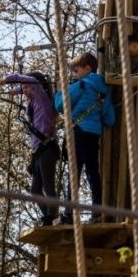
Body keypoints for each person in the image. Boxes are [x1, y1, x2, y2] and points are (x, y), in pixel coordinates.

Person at [55, 52, 115, 224]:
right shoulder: (104, 92)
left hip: (78, 132)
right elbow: (110, 119)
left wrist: (60, 91)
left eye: (76, 70)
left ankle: (69, 214)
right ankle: (97, 214)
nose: (74, 75)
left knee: (74, 174)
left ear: (87, 69)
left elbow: (60, 106)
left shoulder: (81, 85)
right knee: (92, 174)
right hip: (93, 135)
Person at [0, 71, 60, 226]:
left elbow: (29, 81)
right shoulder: (32, 101)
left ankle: (53, 217)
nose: (24, 90)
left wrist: (8, 79)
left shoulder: (41, 97)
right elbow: (26, 86)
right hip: (38, 151)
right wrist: (16, 90)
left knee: (48, 185)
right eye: (23, 88)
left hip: (48, 147)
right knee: (35, 190)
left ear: (36, 86)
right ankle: (47, 216)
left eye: (27, 87)